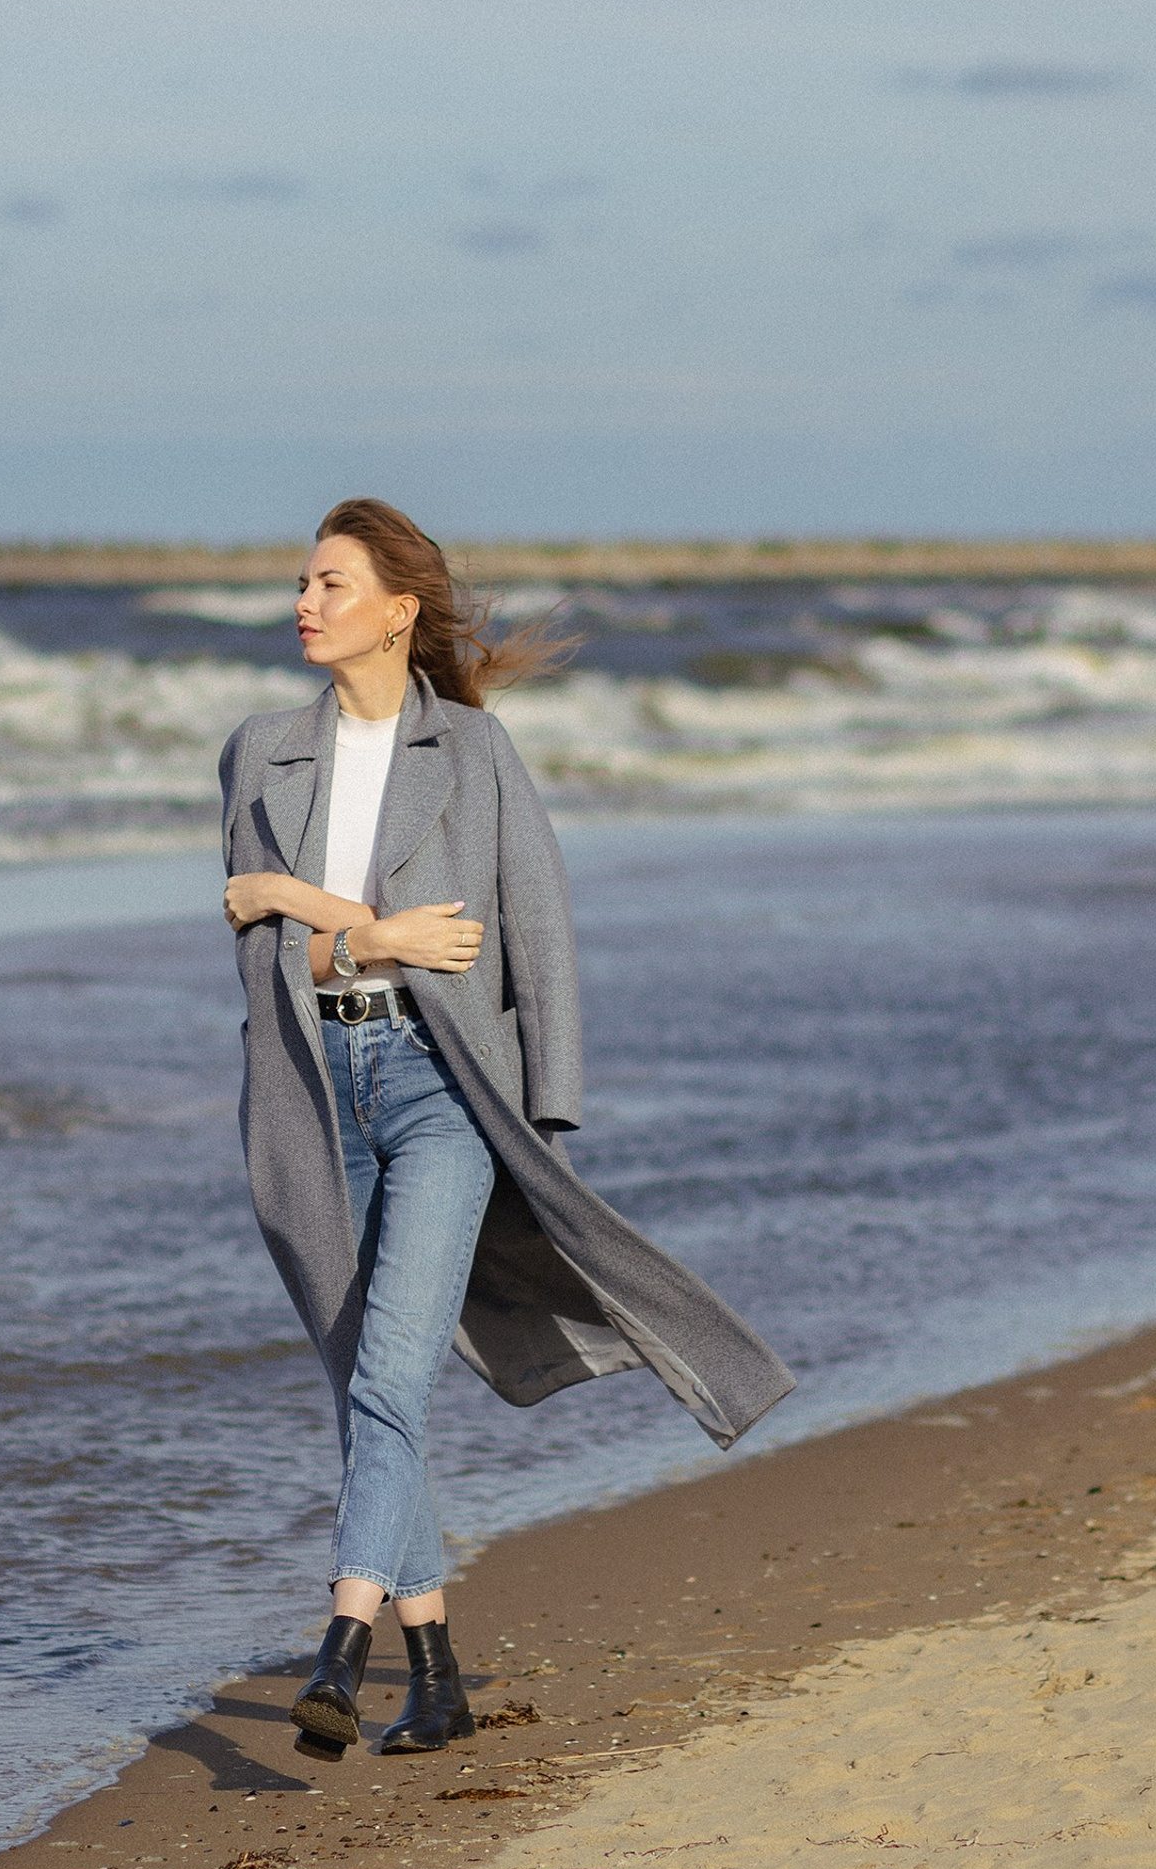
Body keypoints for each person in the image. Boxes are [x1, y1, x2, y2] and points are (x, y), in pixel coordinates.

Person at [220, 498, 794, 1757]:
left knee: (389, 1379)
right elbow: (265, 962)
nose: (303, 602)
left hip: (445, 1091)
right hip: (316, 1101)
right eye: (302, 583)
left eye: (329, 583)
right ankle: (437, 1677)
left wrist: (544, 1114)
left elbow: (533, 929)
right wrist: (362, 929)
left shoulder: (474, 755)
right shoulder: (259, 752)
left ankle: (340, 1641)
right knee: (369, 1395)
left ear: (397, 608)